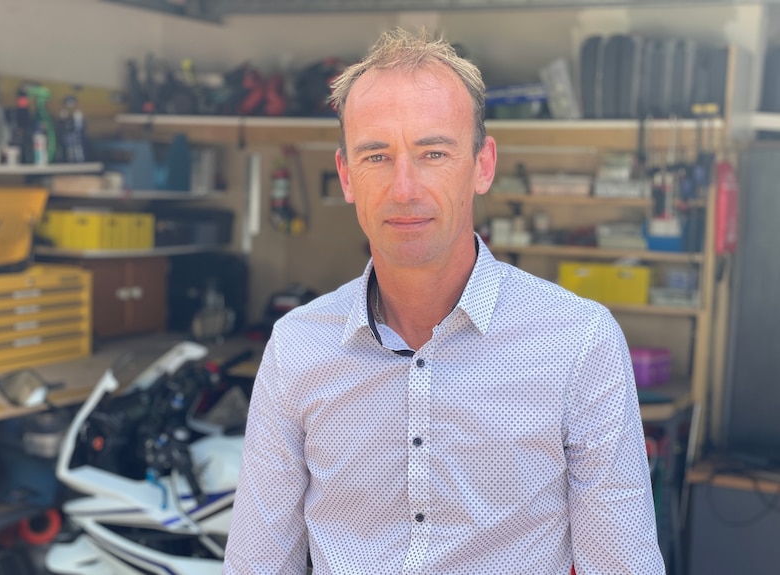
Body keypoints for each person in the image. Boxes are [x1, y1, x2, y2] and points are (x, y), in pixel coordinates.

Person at [223, 27, 665, 574]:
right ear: (346, 176)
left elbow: (622, 565)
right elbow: (257, 564)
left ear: (482, 165)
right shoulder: (297, 347)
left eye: (433, 152)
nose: (405, 188)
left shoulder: (578, 342)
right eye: (377, 156)